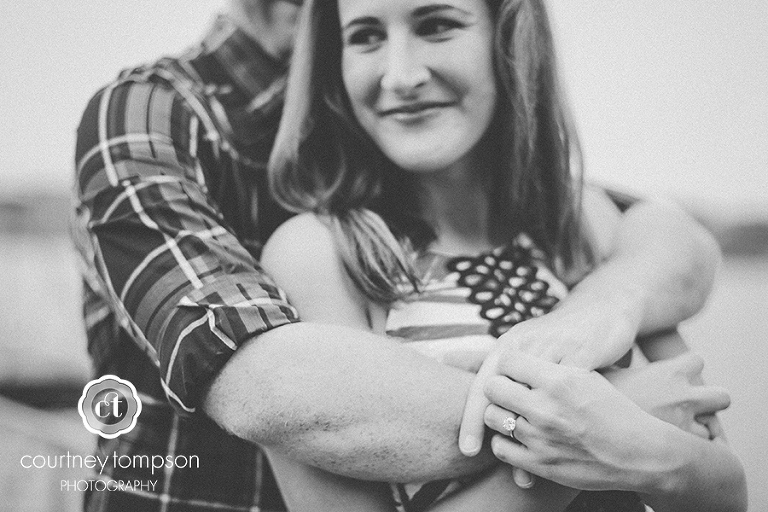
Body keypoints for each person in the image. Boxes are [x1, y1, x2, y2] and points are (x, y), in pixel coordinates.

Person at [71, 1, 741, 511]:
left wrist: (618, 337)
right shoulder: (162, 118)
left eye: (438, 24)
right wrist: (598, 426)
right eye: (363, 38)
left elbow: (718, 469)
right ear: (332, 68)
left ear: (510, 38)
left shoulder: (574, 220)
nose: (401, 74)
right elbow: (261, 381)